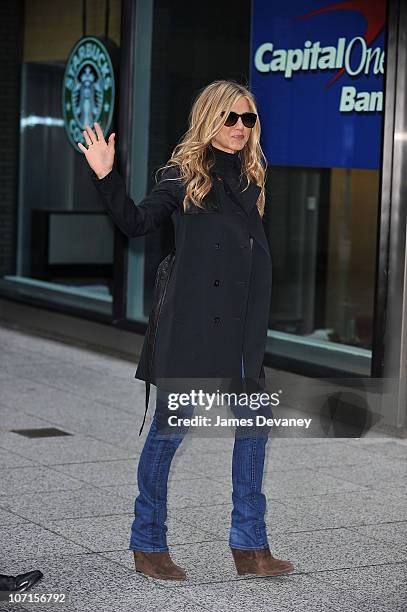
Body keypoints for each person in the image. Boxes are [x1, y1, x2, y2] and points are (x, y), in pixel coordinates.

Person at [79, 79, 295, 581]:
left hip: (242, 336)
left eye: (248, 119)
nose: (241, 128)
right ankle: (148, 543)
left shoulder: (252, 176)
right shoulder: (184, 175)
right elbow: (135, 223)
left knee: (254, 430)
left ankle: (250, 547)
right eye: (231, 118)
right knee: (167, 437)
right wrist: (107, 177)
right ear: (209, 119)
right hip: (196, 330)